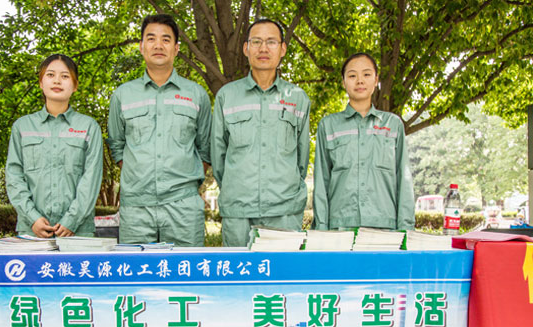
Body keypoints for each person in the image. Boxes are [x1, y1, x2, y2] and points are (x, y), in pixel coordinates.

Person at [107, 14, 211, 246]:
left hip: (183, 207)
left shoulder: (196, 94)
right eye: (151, 38)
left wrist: (182, 180)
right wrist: (139, 175)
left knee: (186, 268)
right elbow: (117, 146)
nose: (158, 45)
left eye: (166, 39)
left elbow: (205, 148)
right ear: (141, 46)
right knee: (135, 268)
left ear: (176, 48)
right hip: (136, 208)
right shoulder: (123, 95)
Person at [211, 19, 311, 247]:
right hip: (238, 212)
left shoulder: (298, 97)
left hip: (285, 211)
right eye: (256, 42)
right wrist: (236, 189)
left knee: (284, 269)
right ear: (246, 48)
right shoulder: (227, 96)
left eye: (271, 42)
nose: (263, 48)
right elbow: (218, 156)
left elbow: (302, 157)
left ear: (282, 49)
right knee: (239, 270)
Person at [312, 52, 415, 231]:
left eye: (366, 74)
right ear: (344, 82)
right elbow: (322, 182)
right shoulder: (328, 126)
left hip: (385, 229)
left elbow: (403, 179)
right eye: (352, 76)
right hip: (339, 228)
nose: (360, 81)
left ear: (376, 80)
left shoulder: (393, 125)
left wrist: (406, 229)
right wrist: (321, 229)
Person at [6, 54, 103, 238]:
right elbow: (14, 176)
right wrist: (33, 218)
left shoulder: (89, 127)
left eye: (65, 76)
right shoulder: (23, 127)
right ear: (41, 83)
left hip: (78, 232)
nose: (57, 81)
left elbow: (91, 178)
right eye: (50, 75)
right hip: (31, 231)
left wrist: (71, 220)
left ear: (75, 85)